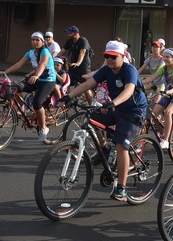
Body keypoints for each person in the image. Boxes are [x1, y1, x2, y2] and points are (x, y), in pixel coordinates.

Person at [61, 41, 147, 202]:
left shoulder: (130, 70)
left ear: (122, 57)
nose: (109, 59)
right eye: (106, 56)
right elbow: (88, 83)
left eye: (113, 57)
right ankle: (105, 147)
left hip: (133, 112)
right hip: (117, 108)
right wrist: (68, 96)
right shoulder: (106, 70)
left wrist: (113, 103)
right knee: (89, 118)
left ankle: (121, 188)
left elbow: (128, 90)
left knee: (122, 146)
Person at [0, 32, 56, 145]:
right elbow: (19, 64)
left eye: (37, 40)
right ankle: (22, 108)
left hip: (48, 82)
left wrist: (36, 75)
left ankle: (43, 128)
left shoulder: (45, 52)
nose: (35, 42)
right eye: (33, 39)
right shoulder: (31, 53)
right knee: (15, 87)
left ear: (42, 41)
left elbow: (43, 65)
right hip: (36, 80)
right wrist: (5, 72)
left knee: (37, 103)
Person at [141, 48, 173, 149]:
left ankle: (166, 140)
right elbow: (152, 78)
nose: (165, 59)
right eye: (164, 57)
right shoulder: (164, 68)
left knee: (168, 112)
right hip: (168, 94)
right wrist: (138, 83)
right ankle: (162, 132)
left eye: (167, 57)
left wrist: (169, 91)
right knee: (153, 114)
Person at [58, 25, 93, 105]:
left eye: (70, 33)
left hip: (84, 68)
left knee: (86, 88)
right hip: (73, 66)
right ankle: (67, 101)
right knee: (67, 84)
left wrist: (78, 63)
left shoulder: (83, 40)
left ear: (75, 33)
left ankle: (91, 105)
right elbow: (62, 51)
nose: (68, 34)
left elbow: (82, 52)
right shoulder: (69, 41)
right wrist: (55, 59)